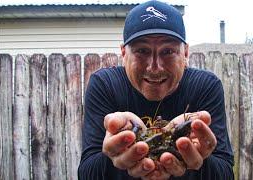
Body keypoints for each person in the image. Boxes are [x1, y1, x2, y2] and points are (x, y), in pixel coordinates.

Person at [78, 0, 234, 179]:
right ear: (123, 53)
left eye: (167, 51)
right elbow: (86, 173)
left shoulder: (206, 86)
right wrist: (114, 157)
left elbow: (225, 173)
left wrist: (197, 160)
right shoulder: (105, 85)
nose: (155, 67)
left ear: (185, 53)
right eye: (142, 51)